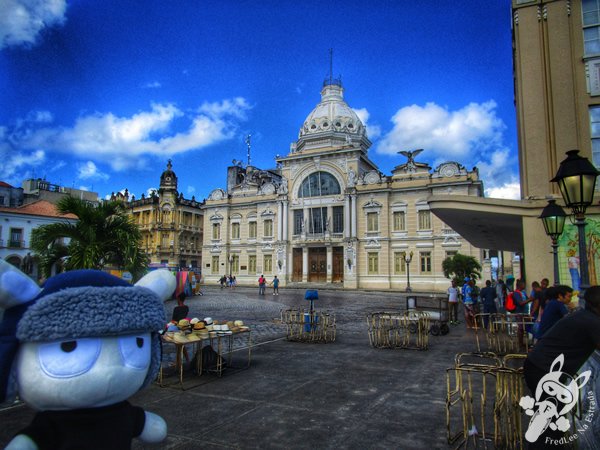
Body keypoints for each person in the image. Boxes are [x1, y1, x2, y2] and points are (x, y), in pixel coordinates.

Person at [523, 286, 600, 448]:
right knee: (549, 423)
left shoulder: (583, 316)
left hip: (538, 366)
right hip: (543, 371)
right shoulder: (592, 322)